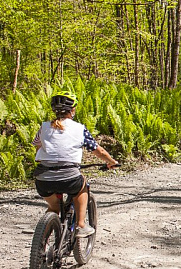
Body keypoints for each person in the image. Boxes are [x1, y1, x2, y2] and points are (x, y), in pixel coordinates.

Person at [32, 90, 119, 238]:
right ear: (72, 110)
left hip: (43, 178)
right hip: (69, 177)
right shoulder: (79, 128)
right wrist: (112, 162)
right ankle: (81, 225)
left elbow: (37, 146)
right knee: (82, 185)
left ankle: (42, 240)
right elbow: (99, 151)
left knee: (53, 207)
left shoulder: (44, 127)